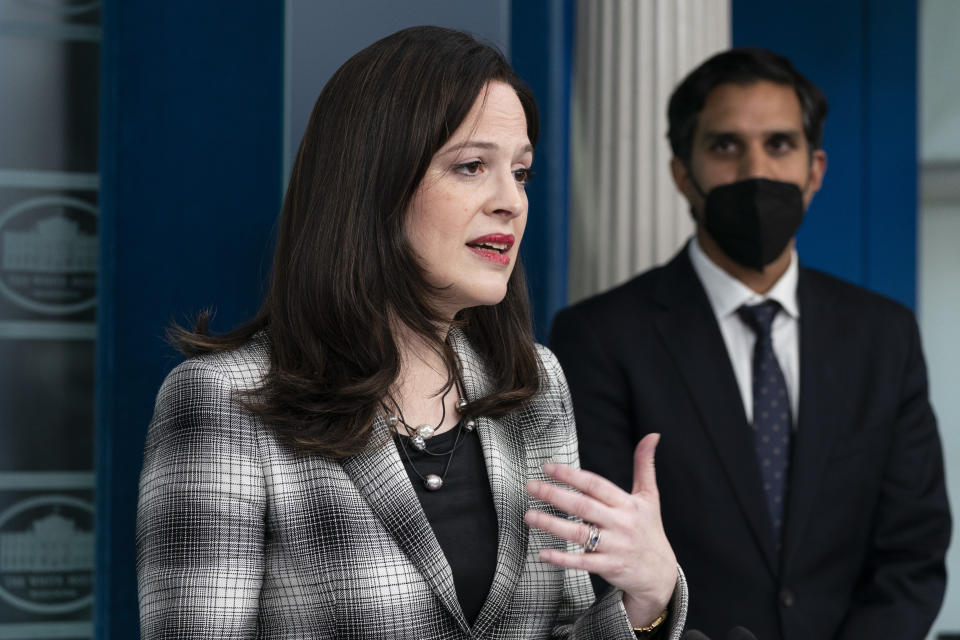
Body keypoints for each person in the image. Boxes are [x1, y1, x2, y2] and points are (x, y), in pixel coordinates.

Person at [136, 26, 688, 639]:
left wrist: (648, 597)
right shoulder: (222, 400)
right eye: (472, 166)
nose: (510, 201)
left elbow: (558, 628)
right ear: (372, 183)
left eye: (522, 173)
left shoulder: (533, 385)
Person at [550, 48, 951, 640]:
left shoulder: (884, 335)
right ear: (683, 173)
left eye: (780, 145)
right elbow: (599, 559)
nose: (756, 170)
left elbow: (912, 555)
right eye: (725, 146)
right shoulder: (598, 337)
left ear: (815, 171)